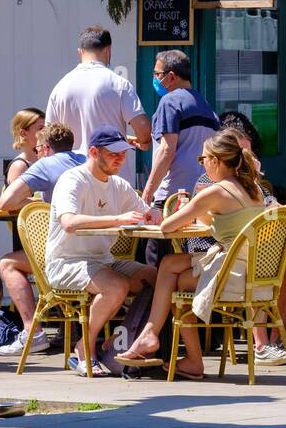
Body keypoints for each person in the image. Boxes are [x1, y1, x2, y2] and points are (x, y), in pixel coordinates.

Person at [116, 129, 272, 380]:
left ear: (216, 160)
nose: (202, 165)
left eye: (203, 160)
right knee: (169, 265)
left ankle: (164, 343)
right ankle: (158, 341)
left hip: (233, 274)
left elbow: (167, 227)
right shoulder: (252, 188)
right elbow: (215, 221)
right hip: (251, 271)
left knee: (173, 279)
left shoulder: (216, 190)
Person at [187, 111, 286, 366]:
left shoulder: (250, 182)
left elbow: (273, 206)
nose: (247, 159)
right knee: (254, 261)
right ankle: (261, 343)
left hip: (242, 250)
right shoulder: (211, 180)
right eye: (242, 154)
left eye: (249, 154)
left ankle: (274, 338)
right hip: (213, 246)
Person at [45, 127, 157, 376]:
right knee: (116, 286)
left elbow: (146, 214)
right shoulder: (73, 179)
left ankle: (119, 340)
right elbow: (69, 222)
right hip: (66, 262)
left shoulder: (119, 185)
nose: (120, 158)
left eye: (123, 153)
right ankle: (84, 347)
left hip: (104, 261)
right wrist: (117, 219)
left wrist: (157, 214)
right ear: (94, 152)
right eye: (113, 153)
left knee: (159, 278)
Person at [0, 123, 86, 357]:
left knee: (8, 263)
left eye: (37, 151)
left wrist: (41, 206)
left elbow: (6, 202)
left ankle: (33, 332)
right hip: (98, 249)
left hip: (66, 254)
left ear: (45, 149)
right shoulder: (86, 159)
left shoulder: (46, 164)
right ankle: (66, 332)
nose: (36, 155)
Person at [45, 27, 150, 184]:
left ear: (80, 52)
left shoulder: (60, 87)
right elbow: (143, 129)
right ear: (108, 50)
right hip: (112, 180)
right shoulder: (118, 83)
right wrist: (144, 141)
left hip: (72, 179)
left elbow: (49, 138)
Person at [141, 50, 219, 206]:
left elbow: (166, 151)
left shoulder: (170, 102)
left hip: (172, 198)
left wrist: (148, 192)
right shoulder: (206, 107)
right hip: (200, 195)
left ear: (171, 77)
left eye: (157, 74)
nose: (155, 78)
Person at [5, 108, 45, 185]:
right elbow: (15, 197)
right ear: (23, 134)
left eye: (47, 128)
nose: (46, 132)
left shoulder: (46, 159)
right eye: (41, 128)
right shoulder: (19, 166)